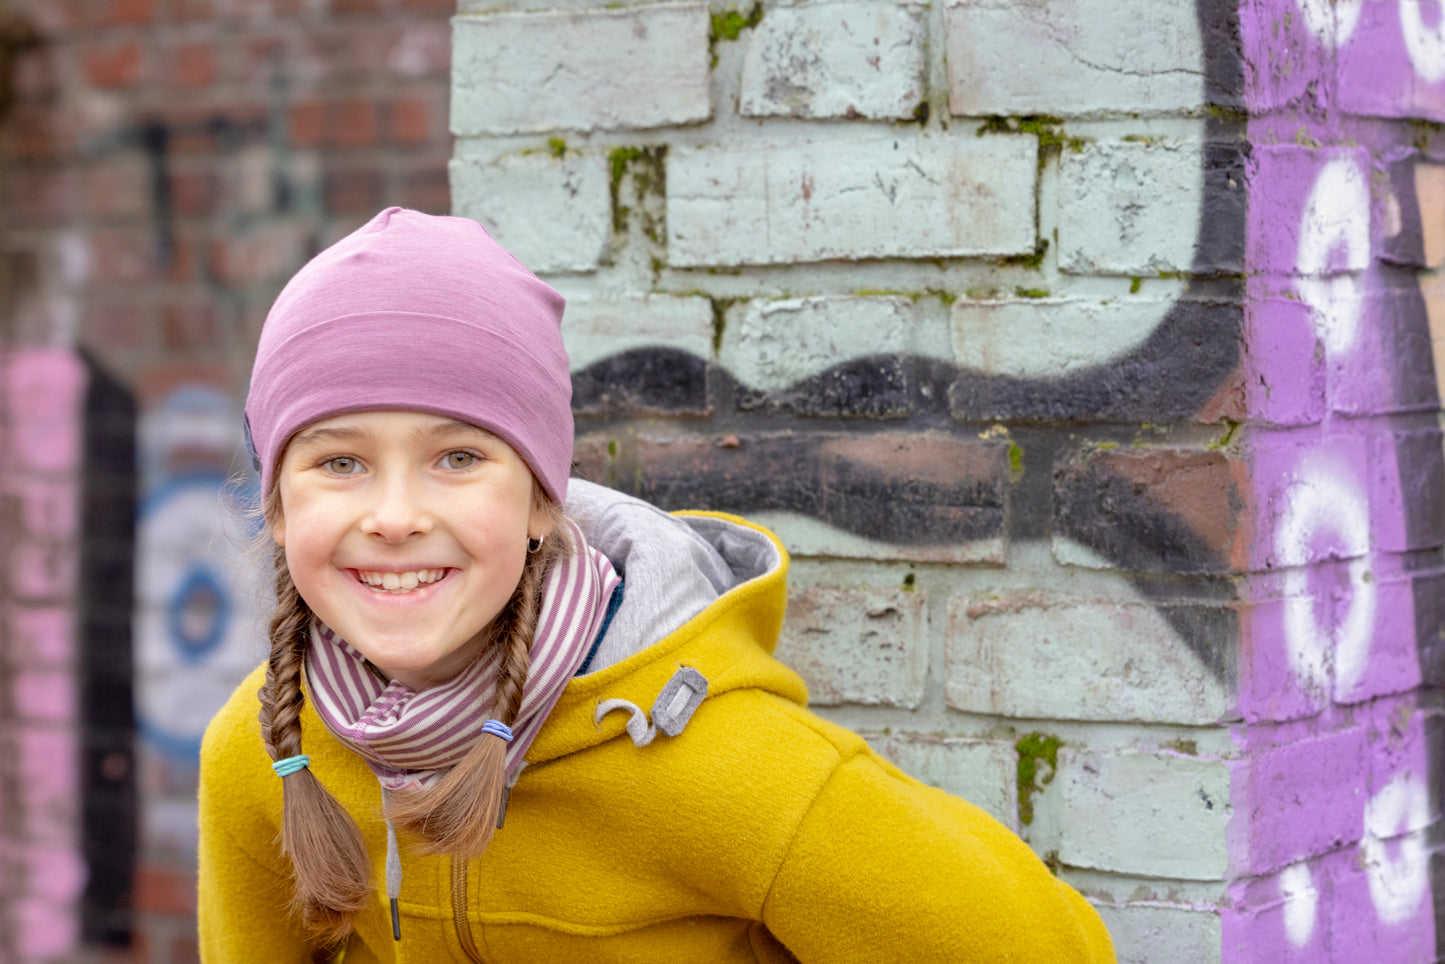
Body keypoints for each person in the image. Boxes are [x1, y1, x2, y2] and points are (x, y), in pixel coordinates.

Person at [197, 206, 1116, 963]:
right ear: (278, 510)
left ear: (540, 501)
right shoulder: (262, 752)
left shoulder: (728, 764)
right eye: (340, 463)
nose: (394, 515)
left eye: (458, 456)